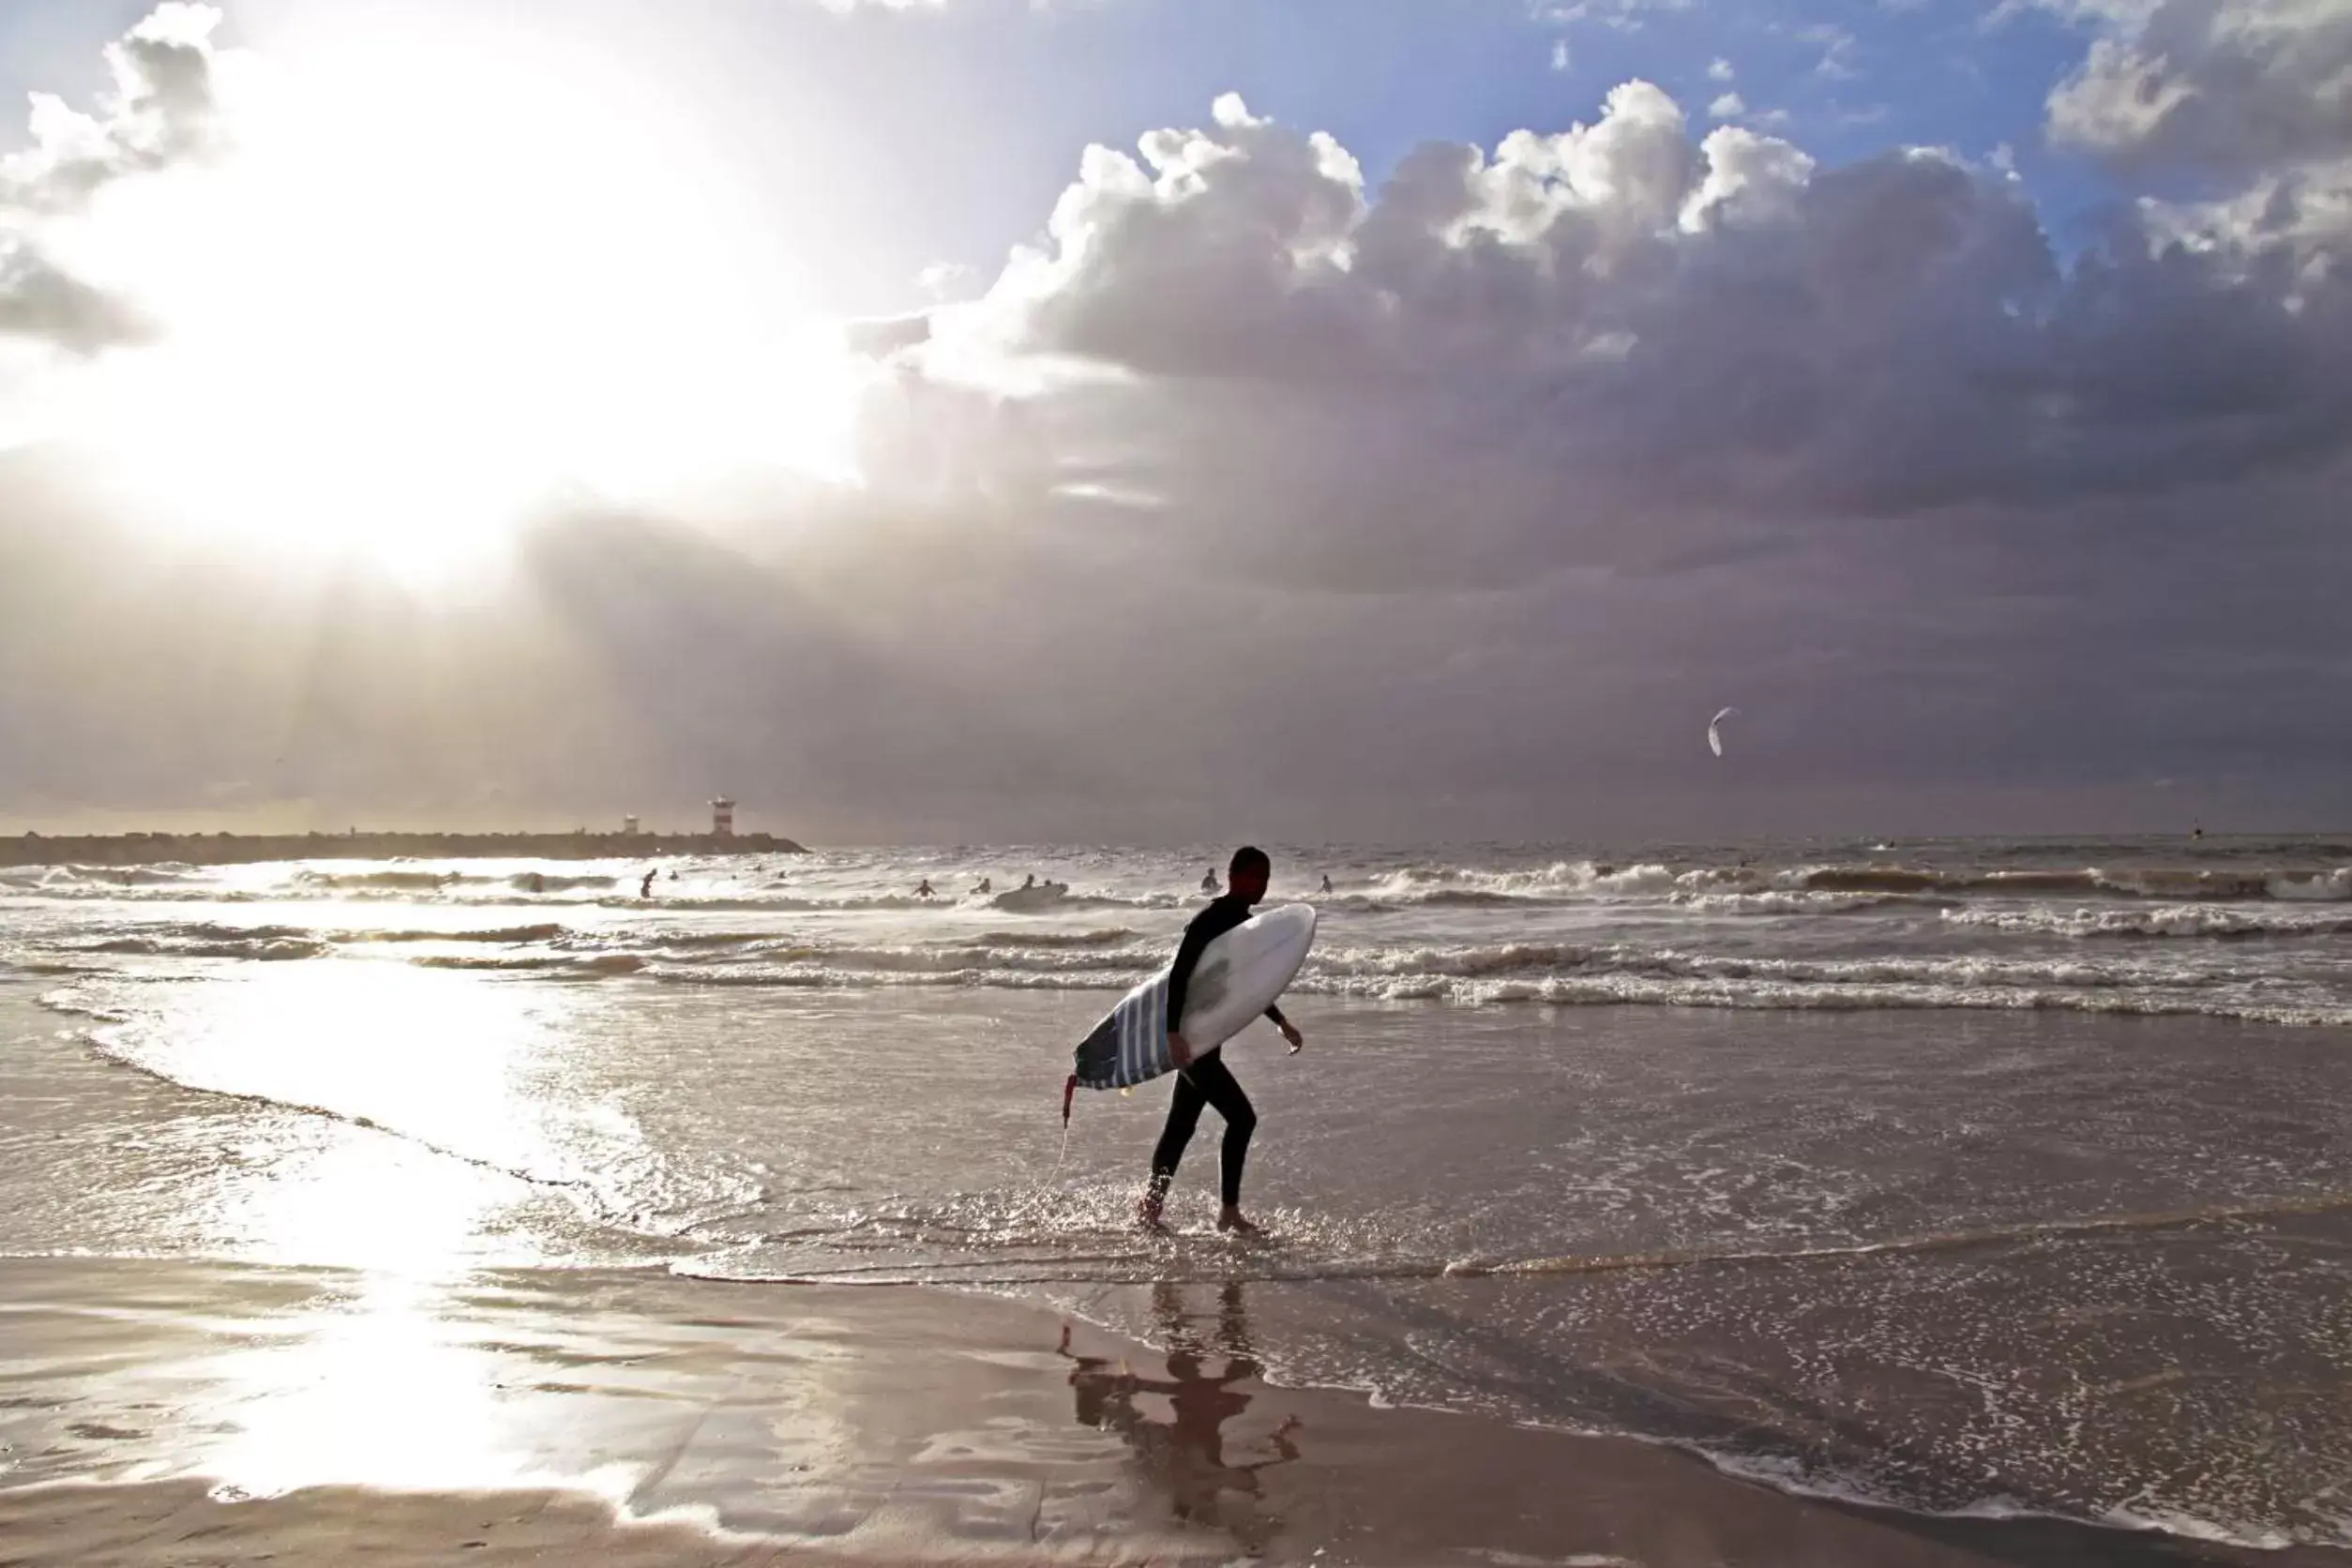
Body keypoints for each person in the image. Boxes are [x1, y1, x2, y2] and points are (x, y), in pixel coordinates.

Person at [1141, 846, 1304, 1236]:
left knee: (1181, 1126)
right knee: (1242, 1118)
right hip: (1190, 1040)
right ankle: (1228, 1214)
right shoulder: (1211, 921)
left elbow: (1247, 986)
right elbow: (1178, 977)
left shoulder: (1243, 925)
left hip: (1202, 1038)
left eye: (1266, 878)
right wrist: (1173, 1034)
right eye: (1256, 877)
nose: (1263, 886)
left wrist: (1279, 1021)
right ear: (1235, 877)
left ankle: (1149, 1209)